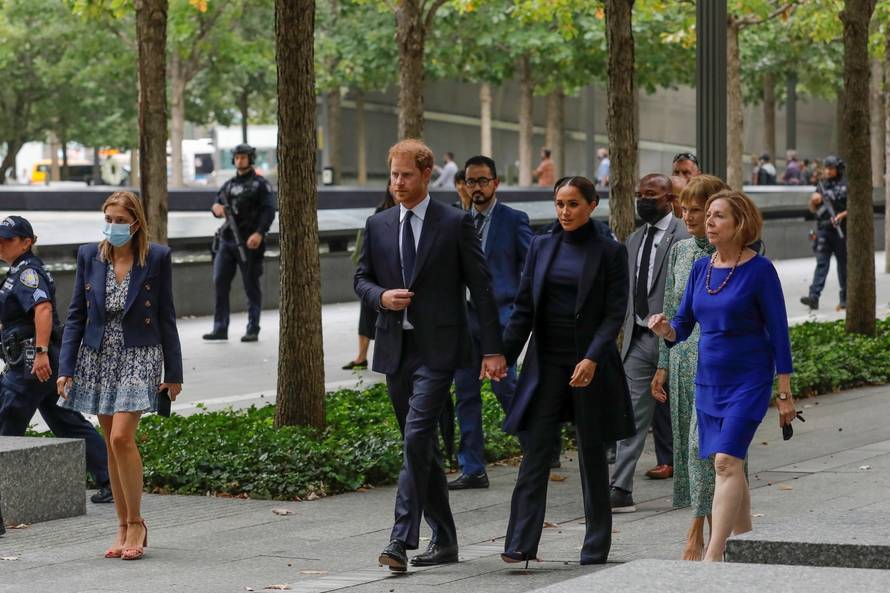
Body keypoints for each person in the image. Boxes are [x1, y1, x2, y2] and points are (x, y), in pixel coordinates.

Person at [354, 140, 507, 572]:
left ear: (426, 174)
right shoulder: (379, 224)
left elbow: (481, 288)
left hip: (439, 351)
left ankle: (400, 539)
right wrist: (381, 297)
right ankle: (446, 540)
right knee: (422, 447)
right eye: (393, 175)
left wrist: (493, 349)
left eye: (405, 175)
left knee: (416, 437)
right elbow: (361, 279)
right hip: (395, 349)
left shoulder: (455, 223)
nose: (397, 183)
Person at [649, 189, 798, 561]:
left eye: (718, 216)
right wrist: (666, 329)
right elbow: (683, 325)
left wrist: (784, 392)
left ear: (740, 223)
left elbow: (779, 333)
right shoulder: (702, 268)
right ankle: (745, 546)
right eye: (708, 215)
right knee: (733, 463)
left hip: (749, 380)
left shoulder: (760, 271)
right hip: (708, 381)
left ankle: (714, 558)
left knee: (725, 462)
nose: (708, 222)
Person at [500, 176, 634, 565]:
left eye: (573, 204)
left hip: (589, 365)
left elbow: (614, 313)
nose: (565, 211)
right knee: (536, 450)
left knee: (592, 454)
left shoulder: (610, 251)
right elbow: (524, 308)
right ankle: (520, 543)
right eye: (559, 204)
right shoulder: (541, 245)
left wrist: (592, 357)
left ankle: (595, 546)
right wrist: (501, 357)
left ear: (592, 205)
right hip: (546, 365)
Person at [57, 191, 183, 561]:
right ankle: (122, 524)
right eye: (108, 219)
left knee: (121, 437)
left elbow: (166, 315)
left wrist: (174, 373)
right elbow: (76, 314)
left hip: (140, 353)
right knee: (110, 442)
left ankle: (137, 522)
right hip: (98, 355)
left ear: (136, 223)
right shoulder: (89, 255)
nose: (112, 226)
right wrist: (66, 368)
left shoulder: (157, 257)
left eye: (120, 220)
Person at [0, 216, 113, 504]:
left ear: (26, 242)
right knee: (67, 421)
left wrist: (39, 353)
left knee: (6, 418)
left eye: (8, 239)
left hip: (31, 364)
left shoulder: (27, 272)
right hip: (40, 362)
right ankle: (111, 479)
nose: (1, 244)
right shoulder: (18, 270)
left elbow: (43, 310)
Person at [651, 175, 729, 560]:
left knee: (710, 450)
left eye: (697, 210)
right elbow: (670, 307)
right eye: (684, 209)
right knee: (690, 448)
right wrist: (662, 364)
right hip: (681, 358)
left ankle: (698, 529)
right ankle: (716, 531)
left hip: (716, 364)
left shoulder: (734, 254)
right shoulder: (681, 251)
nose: (689, 216)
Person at [449, 155, 533, 490]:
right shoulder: (457, 221)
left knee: (505, 388)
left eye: (483, 181)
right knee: (465, 394)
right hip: (464, 321)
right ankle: (472, 468)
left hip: (500, 320)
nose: (477, 188)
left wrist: (519, 312)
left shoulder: (514, 220)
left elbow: (530, 269)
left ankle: (537, 448)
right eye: (471, 181)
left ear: (496, 183)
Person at [610, 174, 689, 513]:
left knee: (687, 412)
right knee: (631, 413)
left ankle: (699, 482)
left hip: (680, 338)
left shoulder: (686, 236)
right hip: (640, 338)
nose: (643, 200)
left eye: (651, 195)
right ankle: (620, 487)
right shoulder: (634, 239)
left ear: (669, 198)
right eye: (639, 194)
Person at [203, 143, 276, 342]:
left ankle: (253, 327)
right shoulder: (228, 185)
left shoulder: (261, 185)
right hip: (227, 241)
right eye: (237, 157)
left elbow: (269, 211)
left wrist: (259, 233)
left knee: (251, 285)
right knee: (220, 282)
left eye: (243, 157)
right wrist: (216, 209)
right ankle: (220, 328)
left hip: (249, 242)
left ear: (250, 159)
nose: (239, 160)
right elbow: (217, 204)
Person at [343, 186, 396, 370]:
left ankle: (391, 357)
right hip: (377, 273)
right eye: (393, 179)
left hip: (395, 275)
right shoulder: (381, 211)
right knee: (366, 313)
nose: (398, 184)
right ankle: (361, 357)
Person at [800, 155, 847, 311]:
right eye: (827, 168)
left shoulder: (845, 185)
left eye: (831, 168)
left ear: (838, 169)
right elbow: (813, 209)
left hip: (841, 230)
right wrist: (814, 201)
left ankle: (845, 298)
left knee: (843, 266)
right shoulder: (822, 185)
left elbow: (854, 207)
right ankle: (814, 297)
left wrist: (841, 215)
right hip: (824, 230)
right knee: (821, 264)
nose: (828, 171)